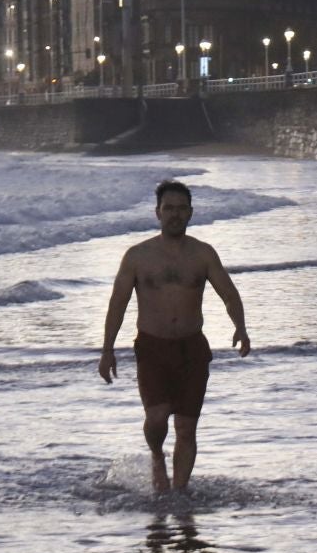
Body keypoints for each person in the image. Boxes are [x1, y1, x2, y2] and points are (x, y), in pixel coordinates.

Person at [98, 180, 250, 494]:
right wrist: (107, 349)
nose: (175, 215)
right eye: (169, 209)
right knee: (156, 418)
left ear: (191, 213)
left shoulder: (203, 254)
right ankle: (156, 455)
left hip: (192, 348)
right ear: (157, 213)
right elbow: (118, 303)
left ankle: (178, 494)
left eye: (182, 209)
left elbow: (230, 295)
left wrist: (240, 327)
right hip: (153, 348)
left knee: (186, 426)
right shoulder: (138, 256)